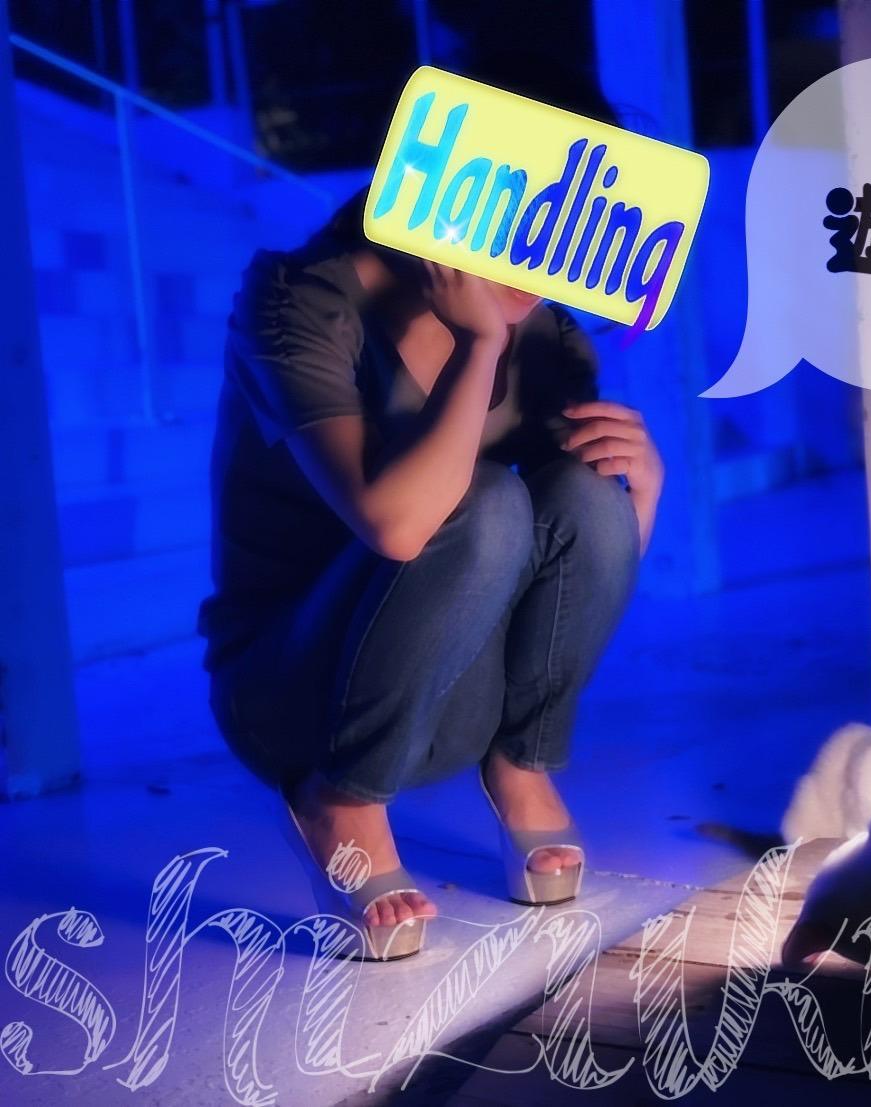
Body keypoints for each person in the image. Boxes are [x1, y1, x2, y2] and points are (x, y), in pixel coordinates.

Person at [198, 69, 659, 960]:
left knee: (583, 489)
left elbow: (578, 577)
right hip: (296, 695)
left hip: (446, 692)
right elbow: (399, 525)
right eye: (536, 207)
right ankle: (339, 800)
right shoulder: (297, 302)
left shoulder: (548, 334)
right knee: (480, 497)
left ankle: (522, 766)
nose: (551, 251)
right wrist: (479, 343)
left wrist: (642, 488)